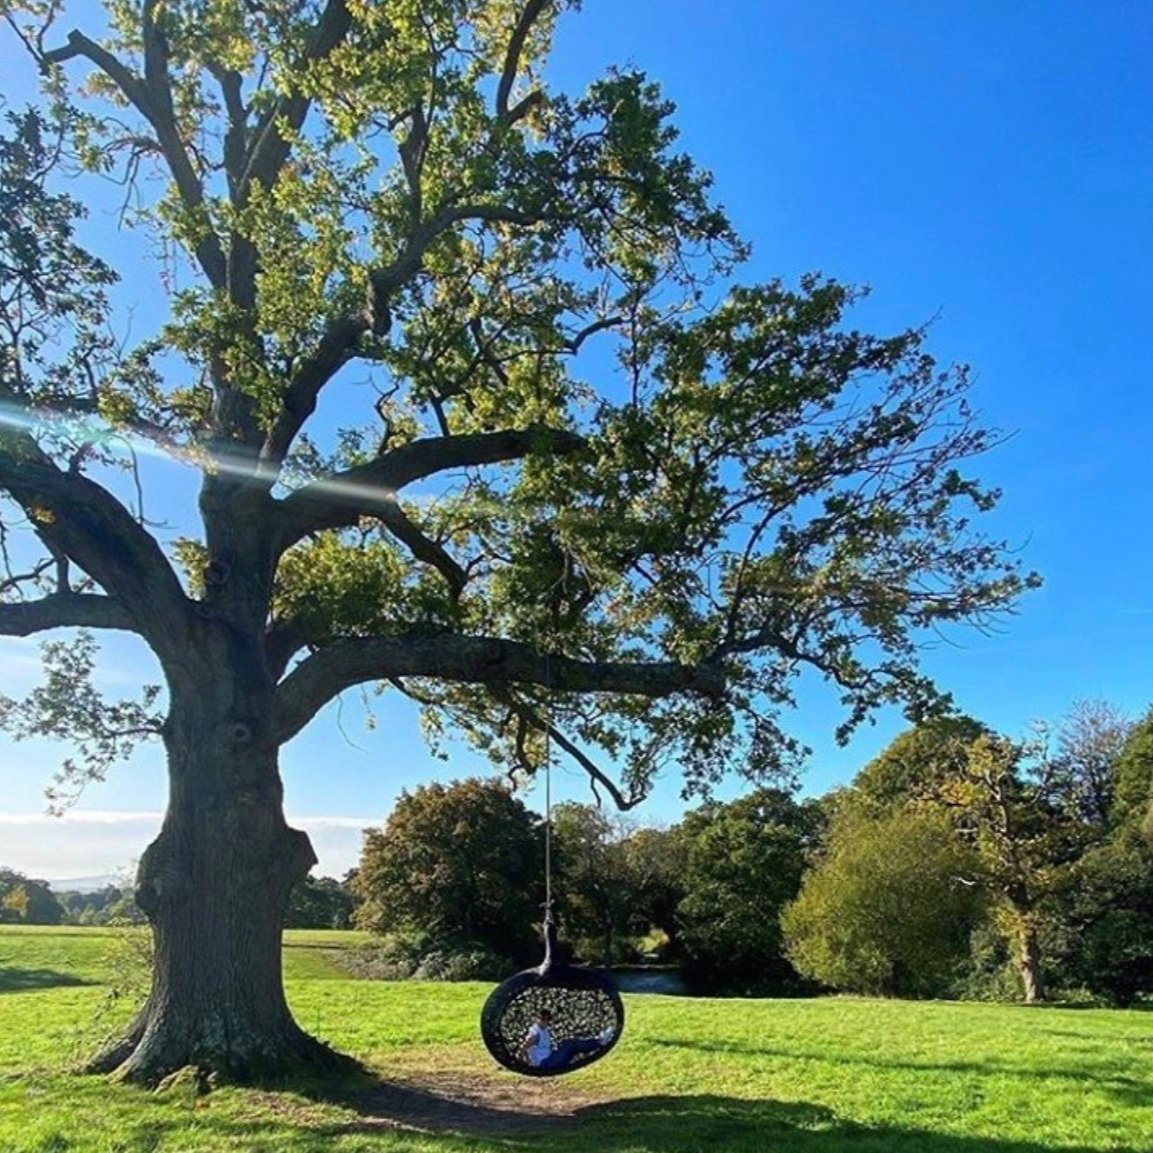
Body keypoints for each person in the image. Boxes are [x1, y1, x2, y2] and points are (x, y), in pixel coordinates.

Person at [517, 1008, 615, 1071]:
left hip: (550, 1058)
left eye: (548, 1019)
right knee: (570, 1045)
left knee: (569, 1045)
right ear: (536, 1019)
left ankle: (597, 1042)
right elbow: (521, 1049)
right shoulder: (535, 1033)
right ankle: (600, 1041)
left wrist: (528, 1060)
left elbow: (525, 1050)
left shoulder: (543, 1030)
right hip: (546, 1063)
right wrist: (527, 1065)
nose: (545, 1022)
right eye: (542, 1019)